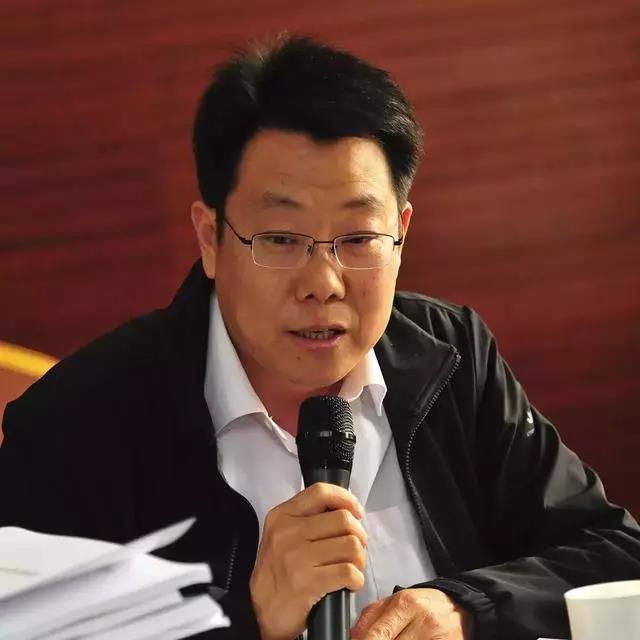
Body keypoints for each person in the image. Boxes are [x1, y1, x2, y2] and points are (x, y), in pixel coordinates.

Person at [1, 34, 639, 640]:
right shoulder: (77, 426)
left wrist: (468, 608)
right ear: (211, 239)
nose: (323, 283)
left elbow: (614, 555)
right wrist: (249, 616)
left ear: (401, 233)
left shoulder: (450, 358)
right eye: (281, 239)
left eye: (358, 239)